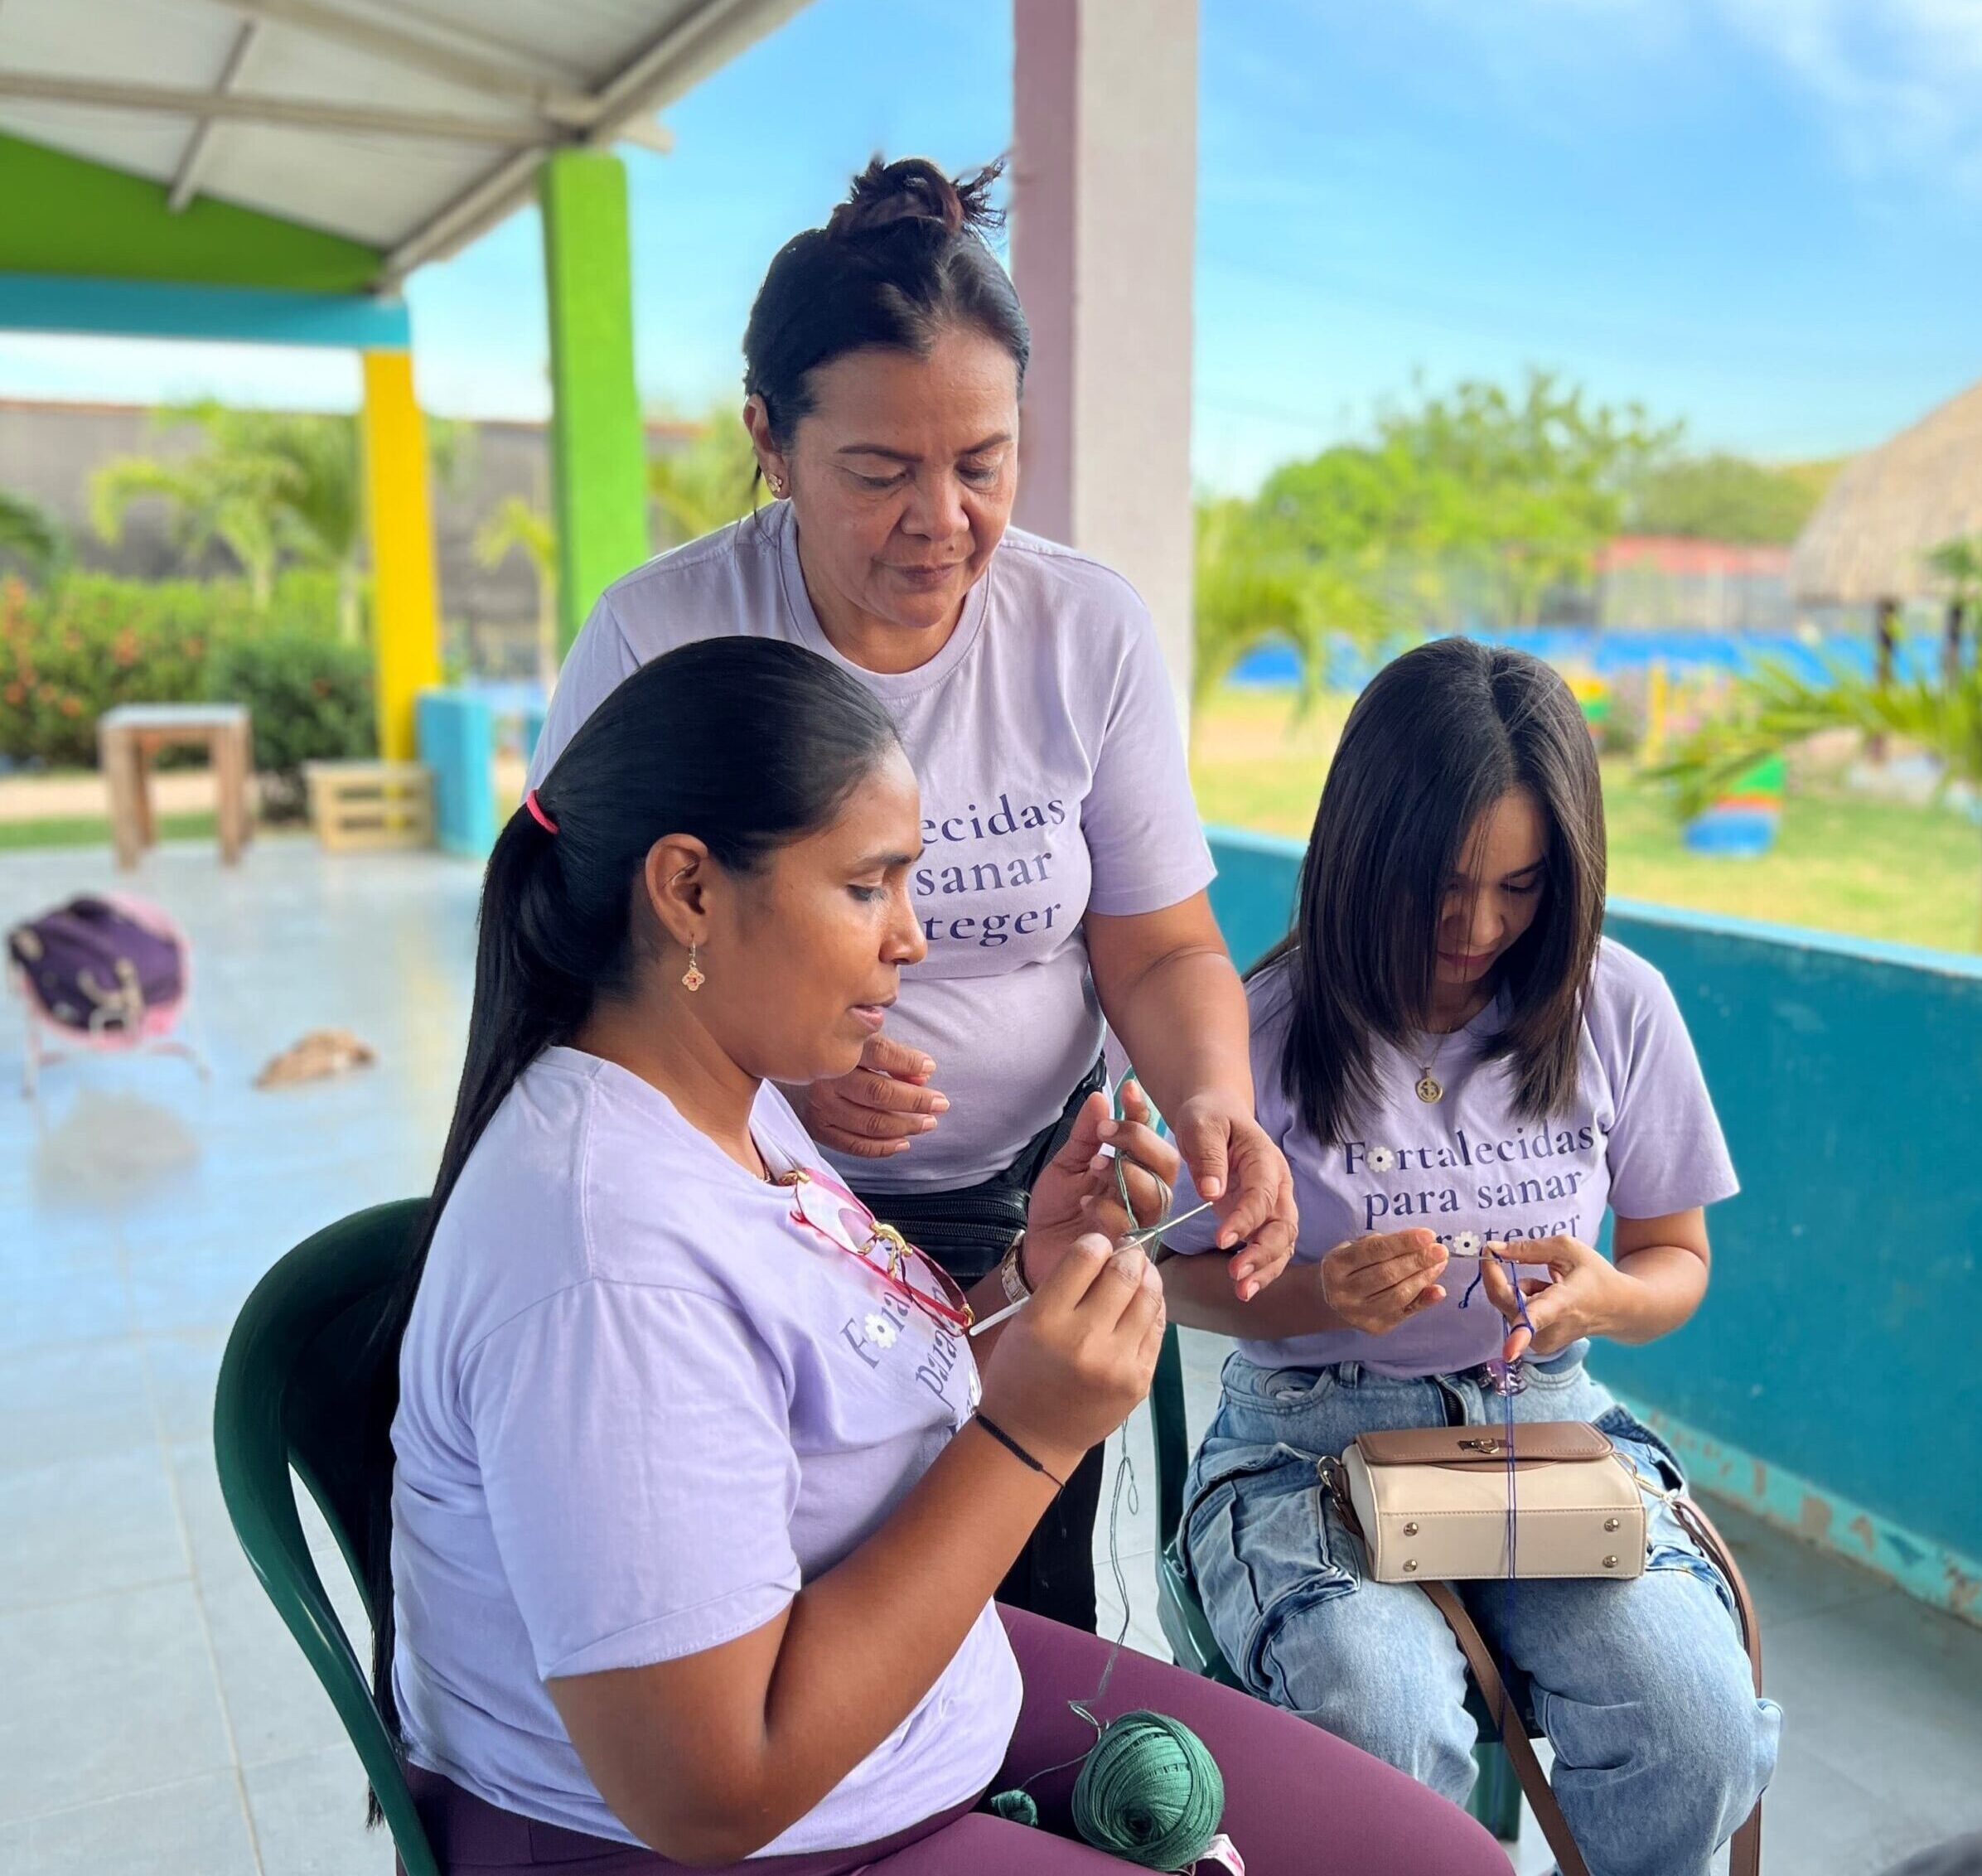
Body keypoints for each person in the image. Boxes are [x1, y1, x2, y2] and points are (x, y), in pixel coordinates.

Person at [368, 637, 1507, 1876]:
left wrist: (1022, 1285)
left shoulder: (723, 1097)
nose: (911, 941)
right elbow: (710, 1790)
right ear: (689, 891)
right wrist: (1034, 1434)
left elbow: (805, 1398)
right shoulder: (601, 1264)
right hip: (744, 1837)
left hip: (910, 1718)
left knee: (1436, 1861)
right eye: (869, 888)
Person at [526, 155, 1295, 1629]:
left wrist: (1212, 1102)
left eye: (983, 465)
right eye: (880, 472)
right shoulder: (664, 635)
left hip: (1031, 1216)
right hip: (747, 1205)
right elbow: (570, 954)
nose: (940, 520)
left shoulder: (1084, 631)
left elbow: (1161, 944)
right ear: (770, 439)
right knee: (797, 1600)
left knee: (1024, 1606)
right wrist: (773, 1093)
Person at [1158, 639, 1783, 1876]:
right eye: (1441, 883)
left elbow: (1674, 1259)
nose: (1478, 926)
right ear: (1359, 850)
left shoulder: (1621, 1008)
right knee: (1378, 1727)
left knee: (1697, 1727)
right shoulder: (1263, 1030)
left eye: (1524, 886)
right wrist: (1314, 1294)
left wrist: (1607, 1297)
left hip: (1542, 1432)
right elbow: (1171, 1275)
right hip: (1307, 1446)